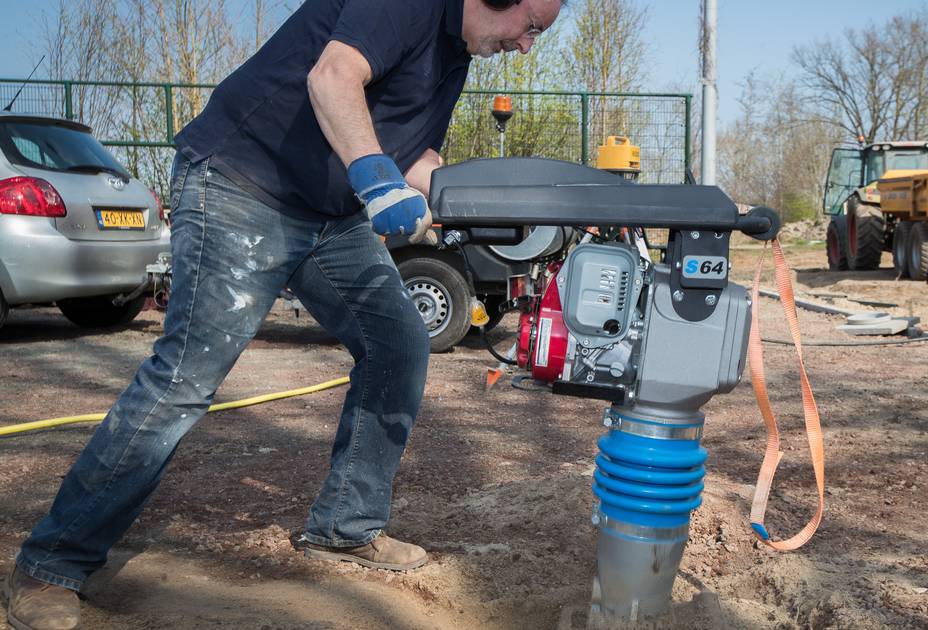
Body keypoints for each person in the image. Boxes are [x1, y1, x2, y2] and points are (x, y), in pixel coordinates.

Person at [2, 1, 565, 628]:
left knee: (399, 342)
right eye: (531, 26)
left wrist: (490, 207)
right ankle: (51, 563)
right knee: (186, 376)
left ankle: (345, 526)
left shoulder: (453, 57)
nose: (526, 46)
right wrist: (376, 182)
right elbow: (333, 77)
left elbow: (411, 156)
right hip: (241, 183)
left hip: (326, 216)